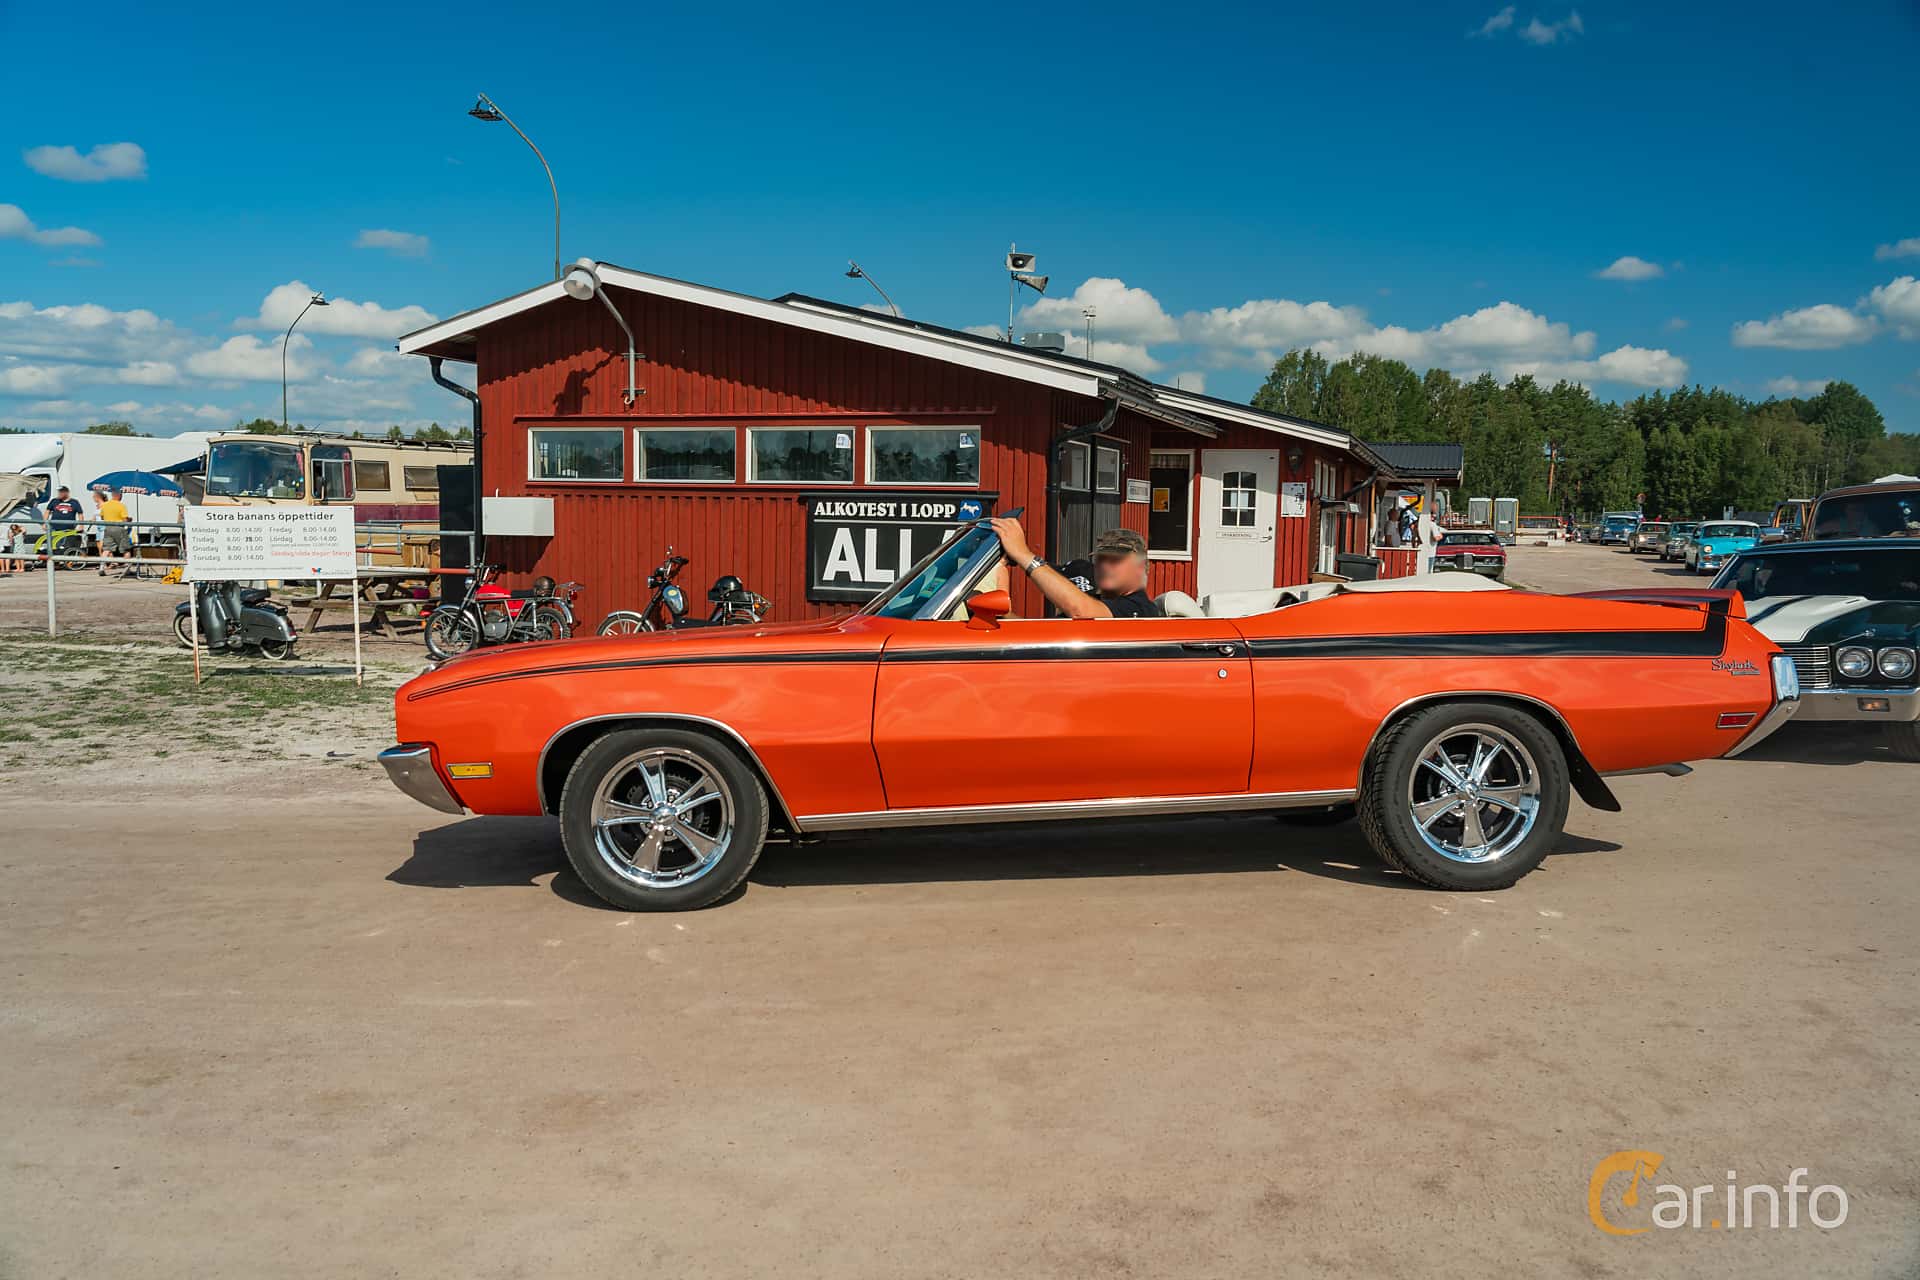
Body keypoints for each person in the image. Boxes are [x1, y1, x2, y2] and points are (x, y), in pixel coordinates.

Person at [988, 518, 1163, 618]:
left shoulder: (1139, 610)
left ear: (1140, 568)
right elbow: (1040, 638)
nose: (1104, 565)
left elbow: (1080, 611)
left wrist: (1022, 554)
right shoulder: (1093, 599)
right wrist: (1003, 614)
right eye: (1101, 559)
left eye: (1115, 560)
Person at [43, 485, 83, 564]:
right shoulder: (54, 501)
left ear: (66, 493)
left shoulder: (74, 502)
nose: (59, 494)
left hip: (68, 529)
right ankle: (54, 561)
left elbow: (80, 514)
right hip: (54, 527)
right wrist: (45, 523)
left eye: (61, 492)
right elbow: (47, 512)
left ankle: (65, 560)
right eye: (59, 492)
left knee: (64, 545)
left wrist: (81, 525)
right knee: (53, 544)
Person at [96, 488, 131, 576]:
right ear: (119, 495)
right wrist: (129, 519)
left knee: (107, 549)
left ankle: (101, 567)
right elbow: (125, 520)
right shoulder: (121, 506)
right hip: (119, 528)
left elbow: (102, 517)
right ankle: (127, 569)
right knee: (126, 549)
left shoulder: (105, 505)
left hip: (108, 528)